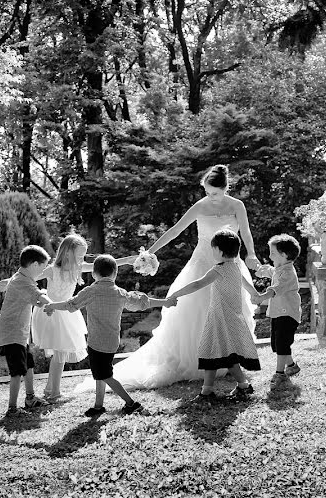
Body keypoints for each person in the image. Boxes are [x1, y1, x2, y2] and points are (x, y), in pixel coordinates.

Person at [85, 164, 262, 390]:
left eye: (215, 193)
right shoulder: (200, 206)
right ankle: (199, 360)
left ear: (226, 188)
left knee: (230, 311)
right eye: (207, 193)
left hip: (229, 261)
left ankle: (230, 359)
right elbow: (176, 230)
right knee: (196, 310)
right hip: (201, 263)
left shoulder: (237, 205)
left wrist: (253, 255)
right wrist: (151, 251)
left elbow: (245, 232)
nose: (211, 197)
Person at [0, 234, 134, 402]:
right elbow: (26, 278)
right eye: (80, 255)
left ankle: (50, 390)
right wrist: (6, 283)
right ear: (68, 252)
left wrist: (128, 260)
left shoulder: (78, 268)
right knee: (60, 353)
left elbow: (105, 264)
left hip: (66, 312)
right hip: (51, 311)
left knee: (61, 353)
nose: (82, 259)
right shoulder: (52, 269)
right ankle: (54, 393)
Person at [44, 254, 176, 416]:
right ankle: (98, 406)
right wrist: (165, 302)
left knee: (104, 375)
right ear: (115, 274)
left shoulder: (90, 291)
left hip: (96, 342)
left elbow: (70, 304)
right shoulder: (120, 293)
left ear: (94, 274)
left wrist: (52, 305)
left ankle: (131, 403)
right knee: (101, 374)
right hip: (112, 341)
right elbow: (143, 302)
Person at [169, 229, 268, 402]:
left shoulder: (218, 270)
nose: (212, 252)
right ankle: (218, 389)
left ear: (220, 251)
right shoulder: (236, 268)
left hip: (221, 317)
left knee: (219, 354)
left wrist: (176, 293)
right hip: (229, 317)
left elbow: (197, 284)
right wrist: (256, 295)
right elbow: (247, 286)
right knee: (218, 354)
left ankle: (226, 389)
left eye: (213, 249)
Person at [0, 245, 52, 416]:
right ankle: (12, 409)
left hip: (20, 332)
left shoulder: (21, 278)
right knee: (17, 371)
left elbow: (36, 300)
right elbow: (41, 298)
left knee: (28, 365)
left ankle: (30, 398)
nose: (42, 272)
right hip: (13, 332)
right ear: (34, 265)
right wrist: (52, 303)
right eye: (42, 268)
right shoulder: (22, 281)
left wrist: (44, 301)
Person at [254, 234, 303, 381]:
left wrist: (261, 297)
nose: (270, 255)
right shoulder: (279, 268)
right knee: (277, 344)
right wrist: (257, 268)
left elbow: (276, 288)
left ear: (284, 255)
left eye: (273, 253)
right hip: (278, 313)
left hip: (288, 314)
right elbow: (268, 271)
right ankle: (292, 365)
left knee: (282, 343)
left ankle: (280, 373)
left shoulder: (288, 273)